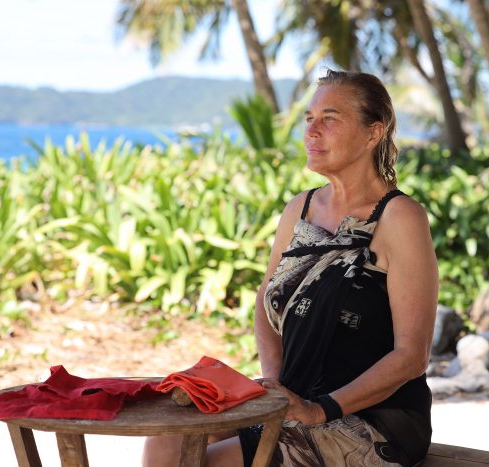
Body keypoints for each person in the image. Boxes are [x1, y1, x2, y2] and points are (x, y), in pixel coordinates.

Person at [142, 69, 438, 467]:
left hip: (369, 421)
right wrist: (276, 386)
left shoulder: (400, 217)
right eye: (309, 118)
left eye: (329, 119)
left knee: (209, 463)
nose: (312, 131)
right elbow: (265, 298)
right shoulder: (300, 208)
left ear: (373, 133)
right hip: (297, 403)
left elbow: (411, 356)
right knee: (165, 441)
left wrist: (320, 409)